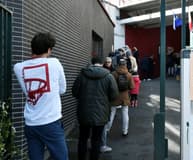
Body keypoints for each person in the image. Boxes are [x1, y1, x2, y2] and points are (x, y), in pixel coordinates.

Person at [13, 32, 68, 160]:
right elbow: (62, 90)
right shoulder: (55, 63)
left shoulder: (18, 68)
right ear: (49, 50)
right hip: (51, 122)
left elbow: (28, 90)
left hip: (31, 123)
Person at [72, 56, 119, 160]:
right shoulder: (108, 76)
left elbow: (74, 92)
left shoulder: (82, 75)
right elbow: (114, 95)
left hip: (84, 112)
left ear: (92, 62)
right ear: (102, 63)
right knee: (96, 139)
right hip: (101, 113)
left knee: (83, 138)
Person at [101, 59, 134, 152]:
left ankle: (107, 129)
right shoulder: (128, 74)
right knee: (125, 113)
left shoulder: (113, 74)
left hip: (115, 97)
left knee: (111, 113)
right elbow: (132, 87)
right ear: (125, 64)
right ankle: (125, 131)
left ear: (118, 64)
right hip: (125, 97)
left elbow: (109, 86)